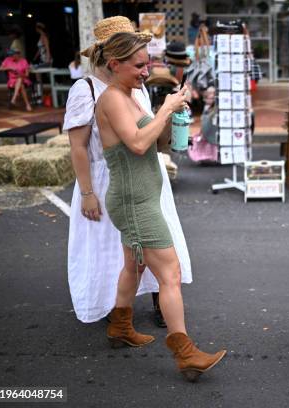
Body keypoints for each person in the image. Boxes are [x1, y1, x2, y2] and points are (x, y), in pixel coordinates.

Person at [93, 31, 225, 381]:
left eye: (147, 62)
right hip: (135, 202)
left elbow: (157, 142)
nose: (145, 71)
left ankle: (120, 327)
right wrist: (164, 108)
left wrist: (173, 114)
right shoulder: (111, 100)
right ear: (114, 64)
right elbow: (137, 144)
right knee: (171, 274)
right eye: (139, 65)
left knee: (133, 268)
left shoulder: (130, 94)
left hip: (138, 198)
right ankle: (185, 353)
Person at [64, 16, 191, 330]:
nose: (143, 66)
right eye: (136, 58)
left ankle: (154, 302)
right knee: (113, 248)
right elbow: (79, 147)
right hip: (108, 177)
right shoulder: (87, 89)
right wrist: (87, 192)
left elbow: (149, 134)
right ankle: (115, 308)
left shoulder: (137, 84)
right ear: (113, 57)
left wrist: (174, 118)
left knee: (150, 245)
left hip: (145, 178)